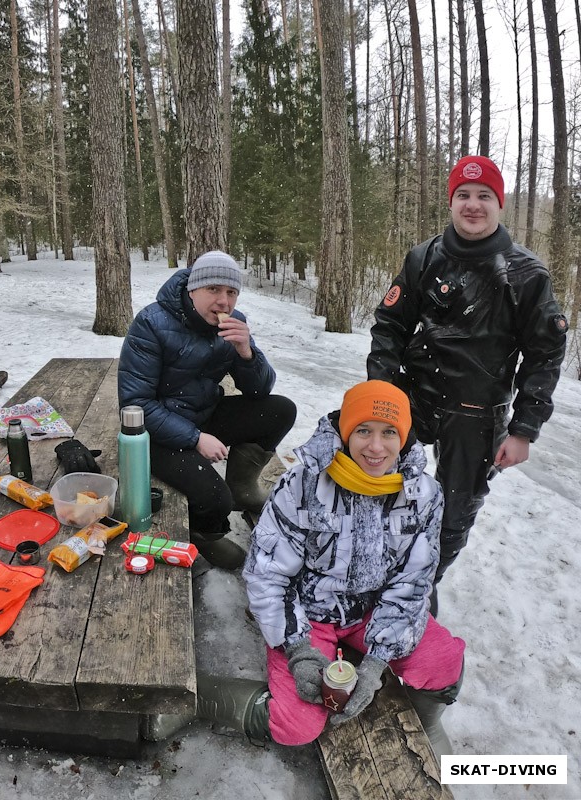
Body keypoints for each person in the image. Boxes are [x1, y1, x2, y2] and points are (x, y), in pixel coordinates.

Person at [147, 382, 462, 757]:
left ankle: (427, 724)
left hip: (372, 612)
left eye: (389, 432)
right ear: (346, 433)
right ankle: (196, 697)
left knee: (445, 660)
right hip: (309, 615)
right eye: (363, 431)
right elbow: (267, 573)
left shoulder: (423, 493)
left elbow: (412, 581)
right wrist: (297, 648)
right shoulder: (304, 483)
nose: (376, 447)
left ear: (404, 436)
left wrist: (377, 661)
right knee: (297, 726)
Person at [367, 155, 567, 608]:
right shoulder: (424, 257)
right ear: (451, 202)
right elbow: (390, 324)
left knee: (456, 507)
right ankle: (375, 567)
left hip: (478, 410)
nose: (472, 205)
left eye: (483, 197)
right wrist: (380, 389)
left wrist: (523, 430)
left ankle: (422, 583)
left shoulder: (527, 274)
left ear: (499, 205)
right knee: (378, 481)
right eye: (463, 196)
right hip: (414, 397)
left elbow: (545, 355)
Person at [117, 250, 297, 570]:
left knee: (281, 410)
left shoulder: (233, 323)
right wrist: (196, 438)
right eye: (213, 290)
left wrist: (246, 352)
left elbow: (259, 390)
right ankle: (206, 534)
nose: (223, 302)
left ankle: (243, 487)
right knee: (215, 500)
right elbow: (136, 405)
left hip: (204, 412)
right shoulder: (151, 323)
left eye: (231, 292)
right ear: (193, 289)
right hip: (156, 434)